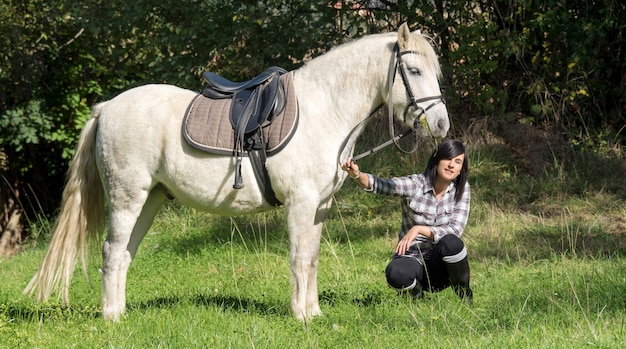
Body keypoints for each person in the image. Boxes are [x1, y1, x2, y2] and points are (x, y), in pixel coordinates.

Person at [341, 139, 473, 303]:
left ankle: (465, 298)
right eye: (448, 159)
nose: (451, 165)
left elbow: (455, 229)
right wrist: (357, 175)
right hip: (413, 259)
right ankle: (418, 300)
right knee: (396, 273)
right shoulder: (416, 184)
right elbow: (384, 185)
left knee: (452, 243)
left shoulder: (462, 189)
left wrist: (419, 229)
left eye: (457, 162)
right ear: (437, 160)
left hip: (443, 268)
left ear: (461, 169)